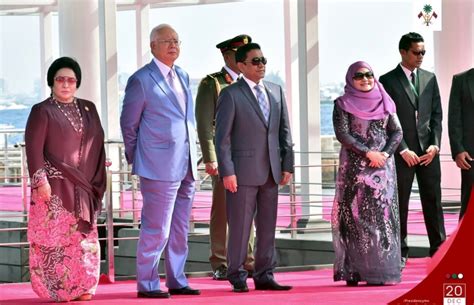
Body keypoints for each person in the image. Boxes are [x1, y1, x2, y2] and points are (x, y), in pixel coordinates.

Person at [120, 24, 200, 298]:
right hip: (157, 166)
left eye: (176, 40)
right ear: (153, 46)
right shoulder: (141, 80)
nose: (173, 45)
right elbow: (128, 125)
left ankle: (176, 279)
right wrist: (138, 157)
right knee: (156, 227)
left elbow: (187, 119)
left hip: (187, 162)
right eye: (166, 41)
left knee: (179, 227)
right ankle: (148, 283)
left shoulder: (184, 75)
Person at [25, 56, 106, 302]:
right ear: (52, 82)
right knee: (55, 240)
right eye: (60, 79)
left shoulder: (88, 108)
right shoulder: (42, 111)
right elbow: (33, 148)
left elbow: (97, 145)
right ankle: (59, 290)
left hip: (83, 188)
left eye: (71, 80)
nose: (66, 84)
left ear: (77, 83)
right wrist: (41, 181)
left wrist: (99, 167)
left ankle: (84, 287)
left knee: (83, 240)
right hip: (54, 188)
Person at [215, 42, 294, 293]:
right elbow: (222, 138)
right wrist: (227, 171)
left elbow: (284, 131)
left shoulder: (276, 90)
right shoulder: (230, 94)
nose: (261, 65)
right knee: (240, 227)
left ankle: (264, 274)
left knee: (268, 226)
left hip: (272, 171)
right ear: (241, 66)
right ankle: (237, 274)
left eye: (263, 60)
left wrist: (287, 165)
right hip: (242, 173)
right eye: (255, 61)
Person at [332, 61, 403, 286]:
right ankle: (356, 271)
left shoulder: (385, 100)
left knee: (383, 219)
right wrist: (368, 153)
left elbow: (397, 132)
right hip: (355, 170)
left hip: (383, 170)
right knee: (355, 218)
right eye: (359, 76)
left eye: (369, 75)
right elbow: (343, 134)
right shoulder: (342, 103)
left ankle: (383, 272)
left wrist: (384, 154)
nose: (365, 79)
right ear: (350, 79)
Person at [379, 32, 446, 269]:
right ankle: (400, 252)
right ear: (403, 52)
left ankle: (439, 250)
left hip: (428, 153)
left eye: (423, 52)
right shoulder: (386, 81)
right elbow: (385, 120)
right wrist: (402, 149)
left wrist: (435, 145)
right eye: (417, 52)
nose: (421, 57)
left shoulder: (430, 78)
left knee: (433, 201)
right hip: (402, 155)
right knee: (400, 205)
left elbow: (437, 115)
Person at [195, 34, 255, 280]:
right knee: (222, 211)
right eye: (239, 54)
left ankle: (246, 261)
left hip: (249, 158)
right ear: (227, 55)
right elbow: (204, 124)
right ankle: (220, 262)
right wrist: (211, 158)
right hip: (225, 157)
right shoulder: (214, 83)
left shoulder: (252, 83)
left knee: (247, 211)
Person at [448, 68, 474, 220]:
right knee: (469, 201)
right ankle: (465, 242)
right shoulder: (461, 80)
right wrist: (458, 149)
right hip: (470, 154)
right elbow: (454, 117)